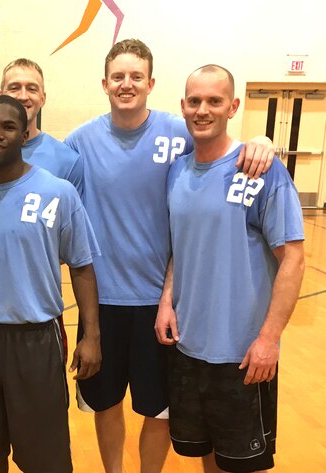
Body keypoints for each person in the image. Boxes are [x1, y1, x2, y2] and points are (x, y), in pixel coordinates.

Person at [64, 38, 276, 473]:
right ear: (104, 83)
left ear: (151, 83)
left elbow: (223, 142)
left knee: (158, 410)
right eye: (118, 76)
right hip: (101, 302)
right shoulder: (78, 141)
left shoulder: (179, 132)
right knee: (106, 404)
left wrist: (263, 140)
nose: (127, 84)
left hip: (162, 305)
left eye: (135, 76)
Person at [0, 95, 101, 473]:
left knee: (45, 461)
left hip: (36, 340)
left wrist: (91, 336)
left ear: (25, 135)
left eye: (8, 126)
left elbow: (82, 266)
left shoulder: (58, 192)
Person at [157, 64, 305, 472]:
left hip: (242, 354)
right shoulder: (177, 172)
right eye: (194, 101)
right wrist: (168, 301)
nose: (202, 110)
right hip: (188, 346)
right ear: (183, 107)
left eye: (214, 101)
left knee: (241, 465)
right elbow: (179, 248)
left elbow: (292, 257)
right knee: (205, 457)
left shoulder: (261, 169)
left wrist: (269, 340)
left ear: (233, 106)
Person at [0, 58, 83, 193]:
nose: (23, 96)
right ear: (0, 95)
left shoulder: (68, 161)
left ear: (43, 98)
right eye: (14, 88)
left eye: (32, 89)